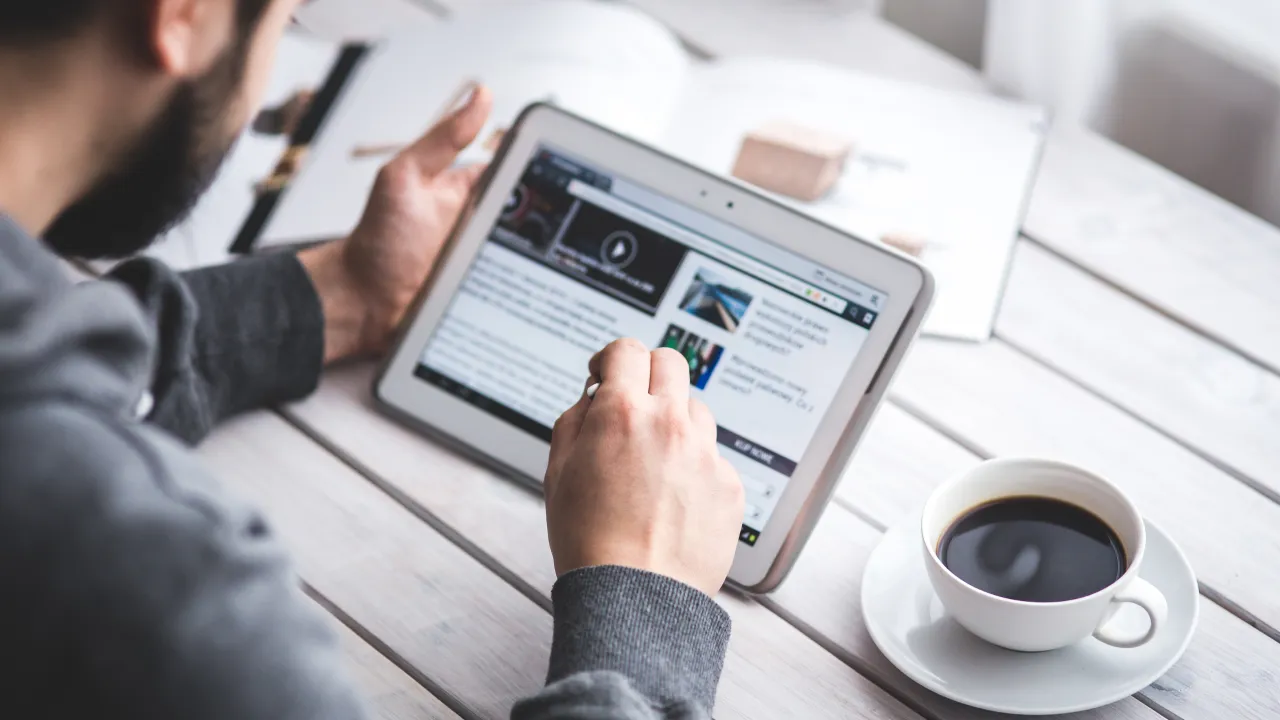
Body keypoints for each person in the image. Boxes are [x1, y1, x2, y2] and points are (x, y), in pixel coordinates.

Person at [0, 1, 746, 718]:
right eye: (286, 17)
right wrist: (643, 601)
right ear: (182, 13)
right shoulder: (168, 604)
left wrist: (341, 294)